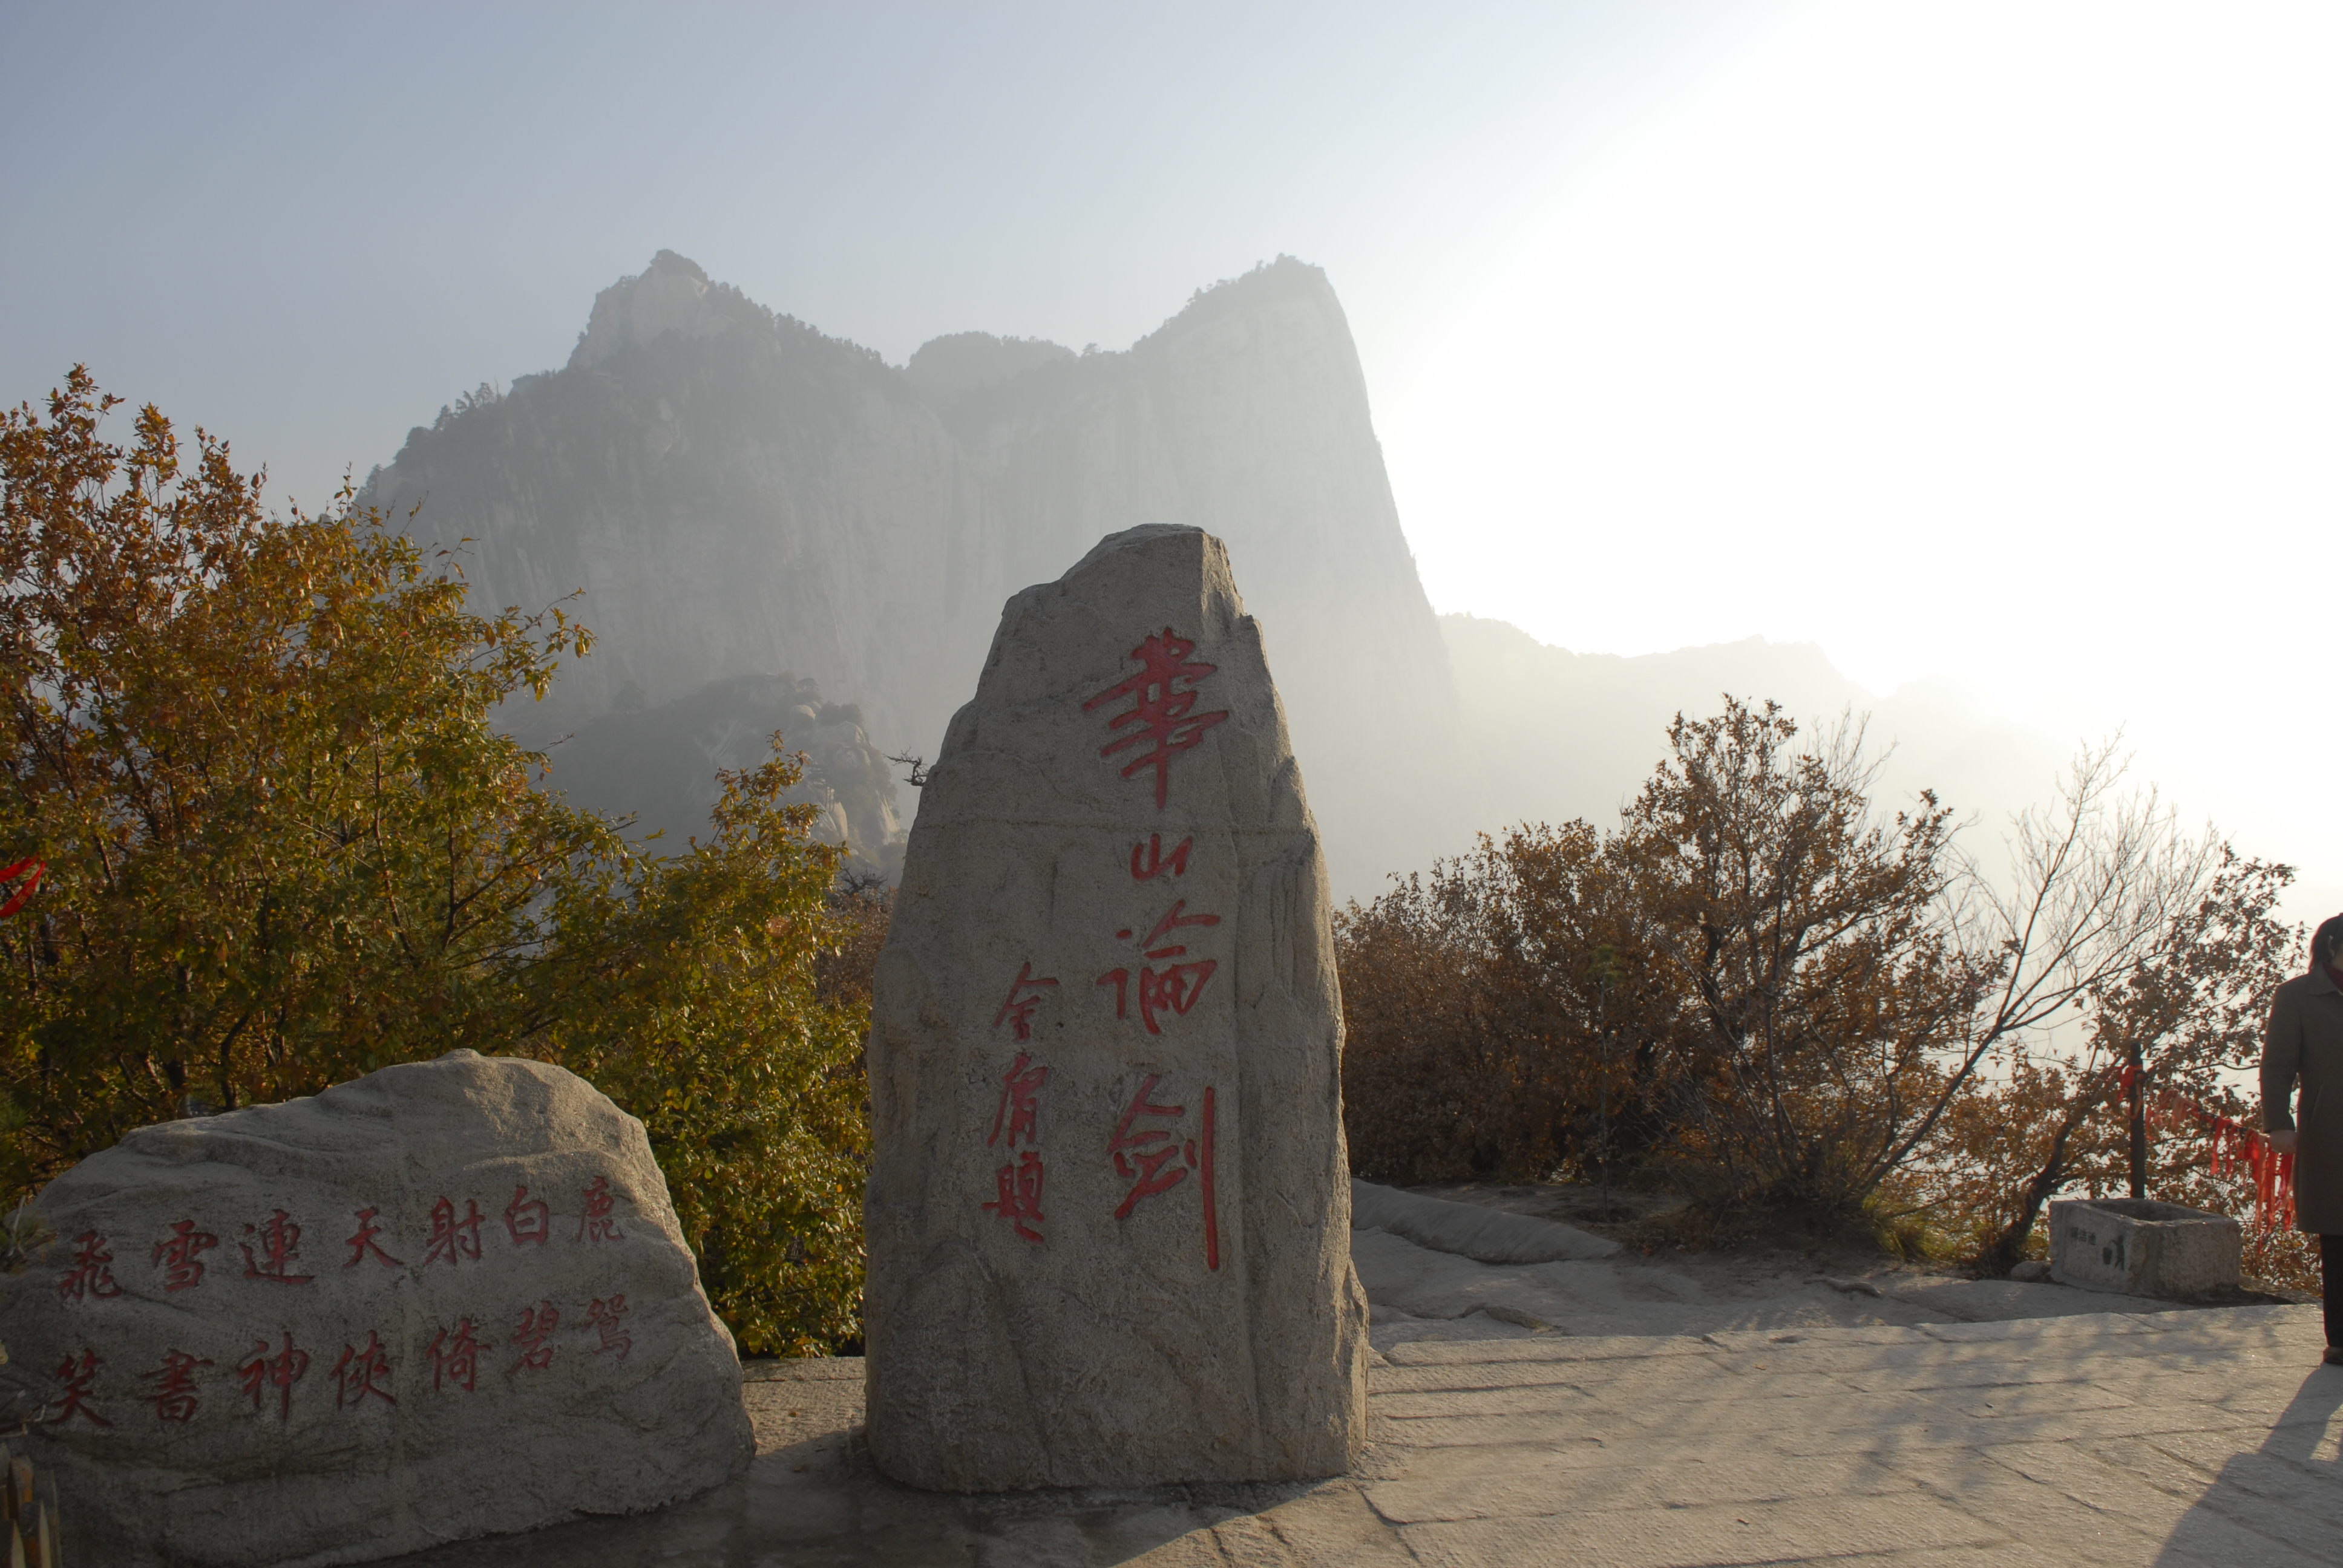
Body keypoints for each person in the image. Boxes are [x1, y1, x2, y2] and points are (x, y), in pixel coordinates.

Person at [2264, 912, 2343, 1363]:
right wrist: (2278, 1123)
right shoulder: (2298, 996)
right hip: (2331, 1131)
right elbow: (2278, 1065)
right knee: (2338, 1233)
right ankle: (2342, 1339)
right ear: (2332, 946)